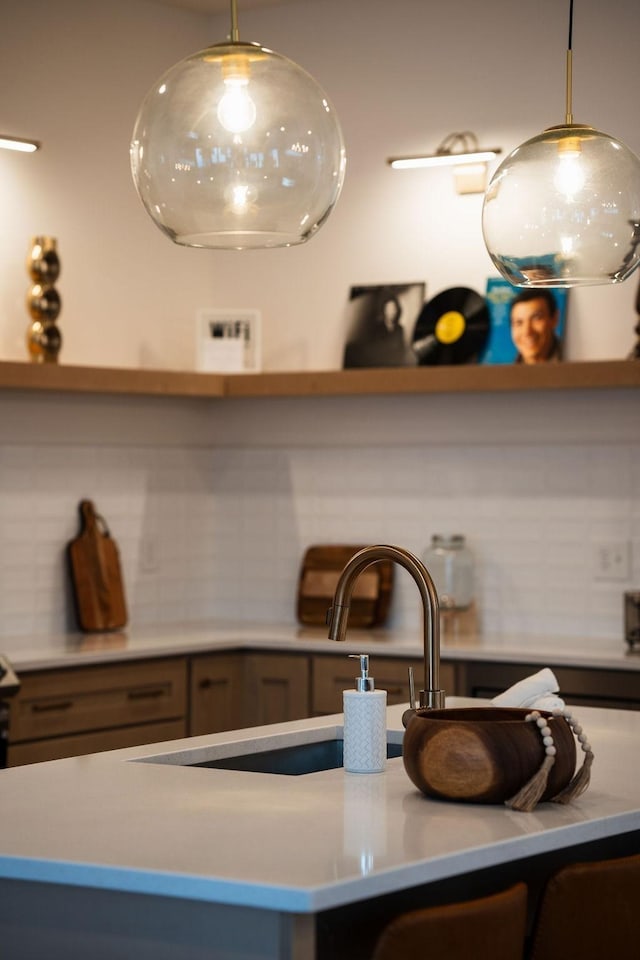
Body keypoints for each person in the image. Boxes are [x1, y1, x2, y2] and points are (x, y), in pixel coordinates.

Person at [509, 289, 562, 364]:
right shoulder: (499, 373)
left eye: (536, 318)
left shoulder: (578, 363)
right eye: (519, 323)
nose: (527, 331)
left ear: (554, 318)